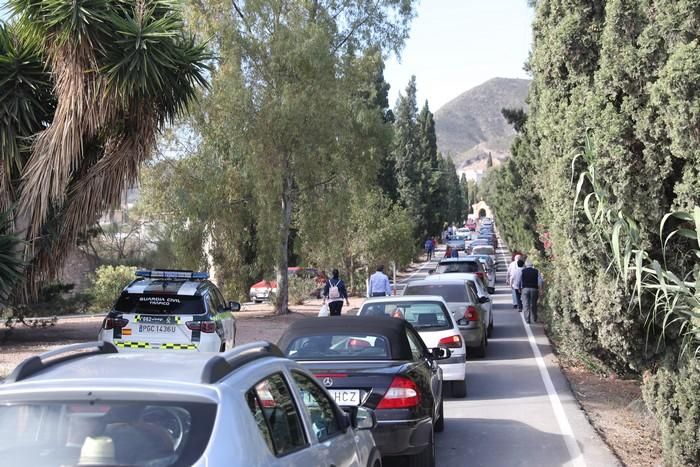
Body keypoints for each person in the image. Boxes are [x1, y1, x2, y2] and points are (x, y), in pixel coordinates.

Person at [517, 259, 544, 324]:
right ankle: (534, 318)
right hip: (534, 289)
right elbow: (540, 281)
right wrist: (540, 289)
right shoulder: (536, 271)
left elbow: (519, 280)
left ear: (526, 265)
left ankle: (527, 319)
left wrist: (519, 288)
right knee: (533, 304)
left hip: (525, 289)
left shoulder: (523, 271)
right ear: (532, 265)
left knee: (526, 304)